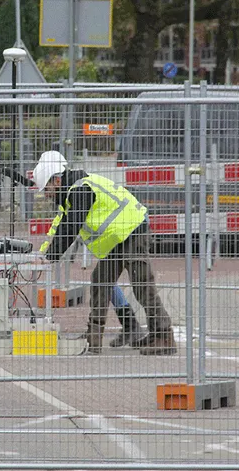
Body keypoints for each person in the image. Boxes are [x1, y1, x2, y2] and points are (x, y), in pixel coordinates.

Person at [33, 151, 176, 356]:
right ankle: (94, 339)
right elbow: (59, 226)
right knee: (100, 281)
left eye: (46, 188)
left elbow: (70, 227)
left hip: (133, 231)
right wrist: (43, 254)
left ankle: (164, 336)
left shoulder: (82, 189)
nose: (46, 194)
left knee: (142, 286)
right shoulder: (70, 196)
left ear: (57, 180)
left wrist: (49, 257)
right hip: (118, 238)